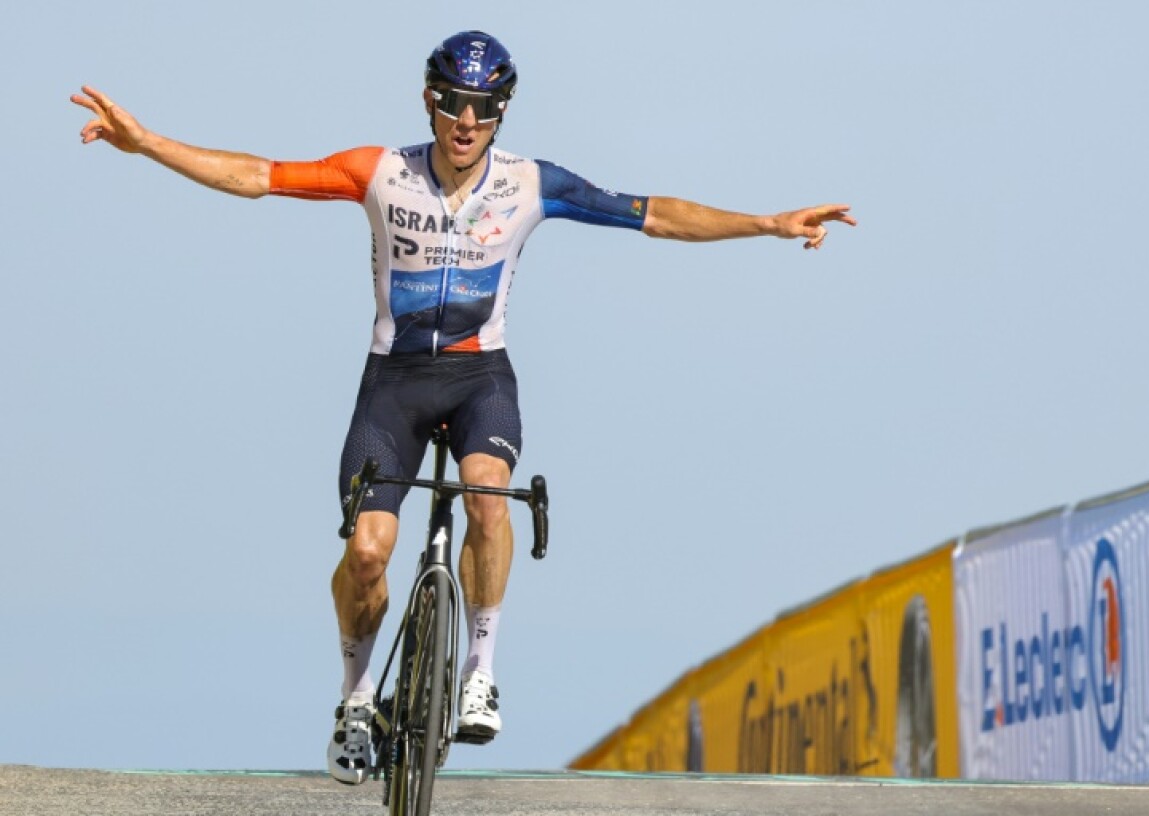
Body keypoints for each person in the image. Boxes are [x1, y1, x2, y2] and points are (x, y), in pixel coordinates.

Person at [73, 30, 856, 785]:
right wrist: (150, 144)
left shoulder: (529, 183)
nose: (467, 122)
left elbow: (655, 214)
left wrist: (768, 224)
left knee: (488, 501)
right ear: (428, 101)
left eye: (483, 106)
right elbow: (260, 175)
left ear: (504, 109)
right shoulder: (378, 172)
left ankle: (481, 670)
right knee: (371, 552)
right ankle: (353, 697)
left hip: (482, 379)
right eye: (452, 103)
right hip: (394, 382)